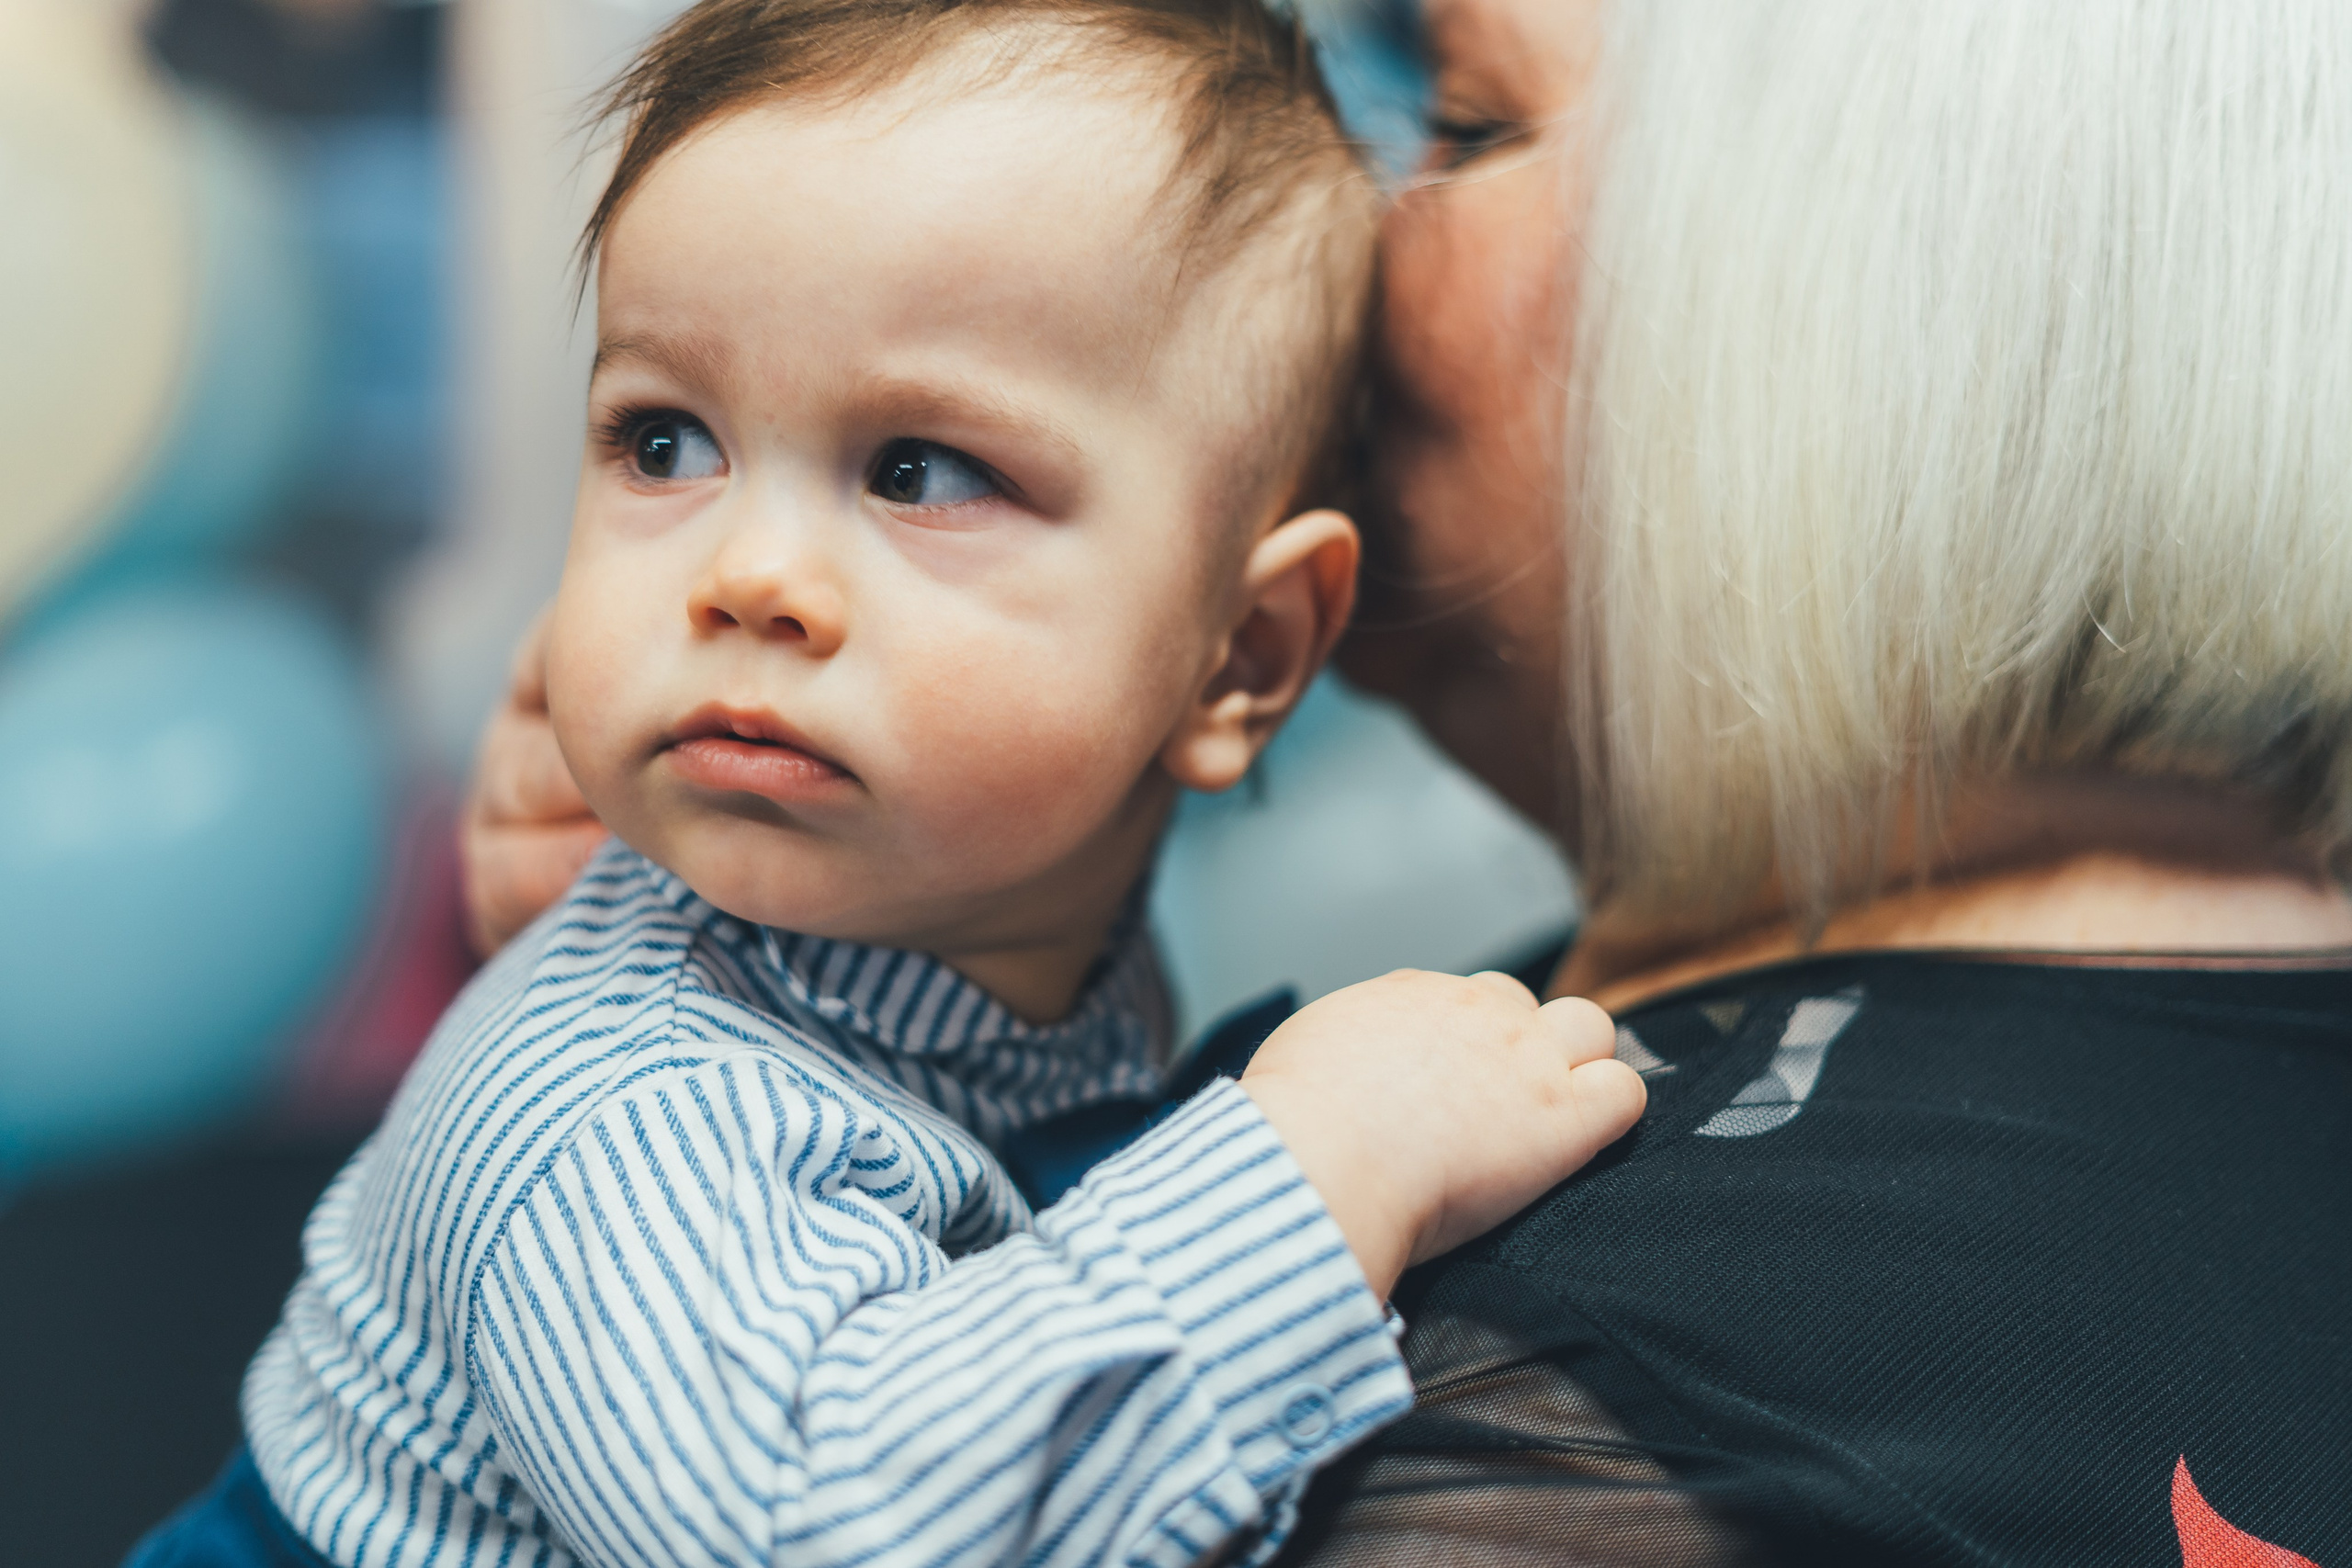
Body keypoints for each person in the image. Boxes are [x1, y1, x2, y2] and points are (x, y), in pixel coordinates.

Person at [471, 0, 2352, 1562]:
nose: (1360, 220)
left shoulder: (1600, 1359)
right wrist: (742, 1080)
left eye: (1457, 119)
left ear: (1888, 316)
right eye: (662, 439)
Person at [127, 2, 1650, 1566]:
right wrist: (1322, 1166)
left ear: (1241, 658)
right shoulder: (606, 1105)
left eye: (920, 469)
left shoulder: (1011, 969)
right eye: (663, 442)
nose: (749, 572)